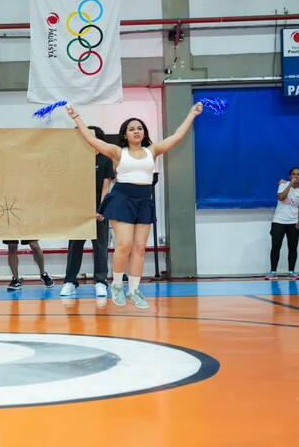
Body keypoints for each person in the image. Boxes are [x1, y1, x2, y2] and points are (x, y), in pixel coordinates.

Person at [66, 102, 203, 309]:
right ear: (125, 134)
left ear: (144, 132)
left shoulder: (152, 150)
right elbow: (91, 139)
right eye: (132, 129)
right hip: (122, 199)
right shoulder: (117, 152)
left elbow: (176, 137)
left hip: (144, 201)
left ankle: (133, 290)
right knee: (125, 244)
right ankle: (117, 285)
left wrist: (192, 114)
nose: (136, 131)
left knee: (139, 247)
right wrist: (76, 116)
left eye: (139, 128)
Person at [61, 126, 115, 298]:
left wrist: (102, 209)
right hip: (79, 211)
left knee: (100, 247)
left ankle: (100, 282)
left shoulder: (105, 160)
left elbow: (106, 187)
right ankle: (70, 281)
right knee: (74, 247)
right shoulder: (75, 159)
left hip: (99, 210)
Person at [265, 167, 299, 280]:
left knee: (292, 247)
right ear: (290, 176)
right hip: (279, 221)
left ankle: (291, 272)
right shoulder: (283, 185)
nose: (296, 176)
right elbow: (281, 197)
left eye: (298, 174)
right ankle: (273, 272)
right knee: (276, 246)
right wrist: (289, 185)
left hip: (293, 222)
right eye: (293, 174)